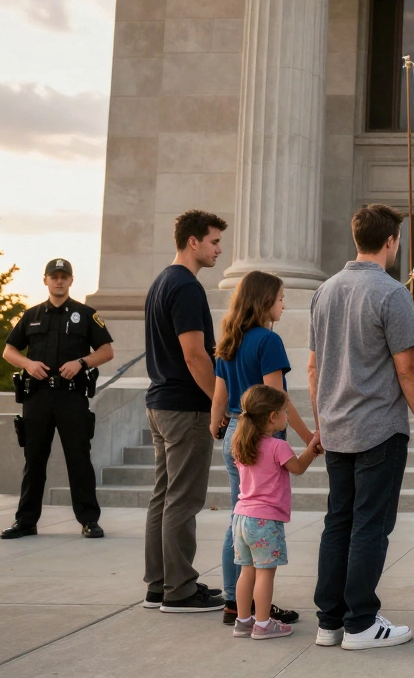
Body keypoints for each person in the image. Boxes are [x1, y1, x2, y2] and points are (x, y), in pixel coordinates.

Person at [310, 204, 414, 650]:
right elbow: (407, 369)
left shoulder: (324, 291)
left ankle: (331, 621)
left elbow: (315, 366)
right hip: (378, 427)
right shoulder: (392, 292)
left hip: (337, 426)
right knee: (370, 525)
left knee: (337, 522)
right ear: (392, 241)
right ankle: (361, 621)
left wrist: (321, 421)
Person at [210, 270, 317, 626]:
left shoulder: (230, 340)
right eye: (281, 298)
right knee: (262, 516)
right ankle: (259, 610)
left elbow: (220, 395)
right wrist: (307, 437)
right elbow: (279, 398)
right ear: (264, 301)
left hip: (235, 435)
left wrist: (217, 425)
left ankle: (233, 601)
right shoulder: (268, 341)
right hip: (264, 438)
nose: (284, 305)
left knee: (239, 515)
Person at [143, 210, 228, 613]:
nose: (219, 249)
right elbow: (195, 356)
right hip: (185, 407)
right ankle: (179, 590)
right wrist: (218, 402)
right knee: (183, 499)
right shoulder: (187, 287)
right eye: (213, 242)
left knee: (163, 497)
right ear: (192, 241)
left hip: (160, 403)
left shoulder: (161, 282)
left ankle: (158, 585)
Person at [0, 258, 114, 540]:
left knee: (79, 459)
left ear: (71, 280)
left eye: (64, 276)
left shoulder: (86, 314)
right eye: (54, 276)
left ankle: (89, 520)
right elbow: (8, 351)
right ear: (46, 280)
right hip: (37, 397)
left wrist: (82, 362)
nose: (59, 281)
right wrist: (27, 364)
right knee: (34, 460)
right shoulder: (32, 315)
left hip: (71, 397)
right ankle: (25, 521)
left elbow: (106, 351)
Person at [229, 385, 322, 640]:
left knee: (247, 572)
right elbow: (298, 467)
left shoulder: (241, 443)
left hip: (241, 517)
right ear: (273, 416)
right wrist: (312, 447)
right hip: (265, 520)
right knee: (265, 574)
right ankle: (262, 624)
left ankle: (243, 621)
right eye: (285, 411)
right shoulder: (277, 446)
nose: (287, 416)